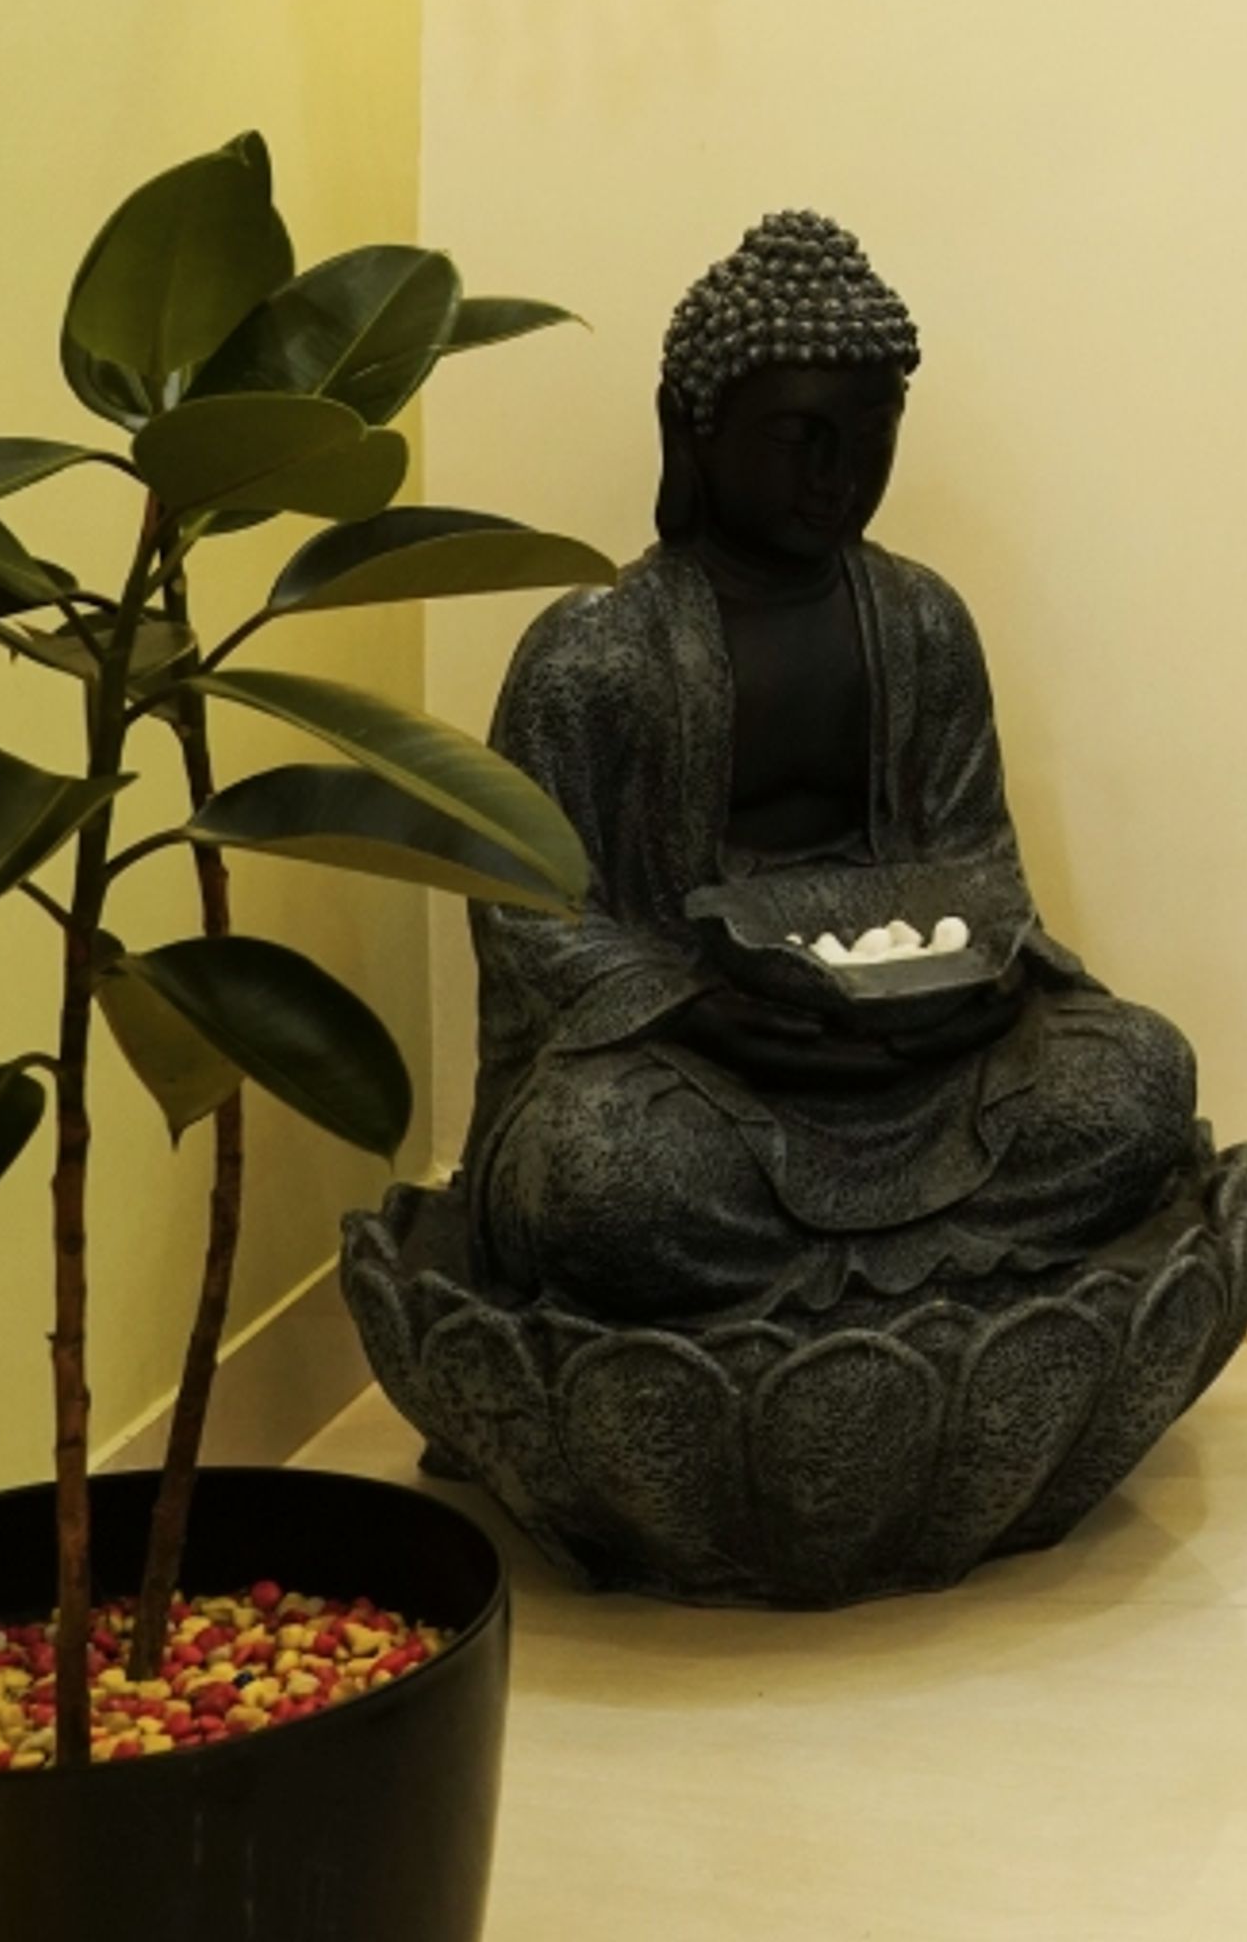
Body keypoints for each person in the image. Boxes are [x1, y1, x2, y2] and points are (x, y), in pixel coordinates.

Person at [464, 211, 1201, 1322]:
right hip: (702, 1069)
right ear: (692, 429)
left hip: (917, 1062)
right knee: (600, 1173)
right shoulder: (598, 647)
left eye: (870, 434)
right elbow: (530, 909)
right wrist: (697, 1008)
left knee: (1139, 1075)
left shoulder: (922, 622)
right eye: (798, 436)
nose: (837, 474)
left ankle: (800, 1309)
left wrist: (981, 981)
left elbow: (974, 853)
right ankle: (961, 1297)